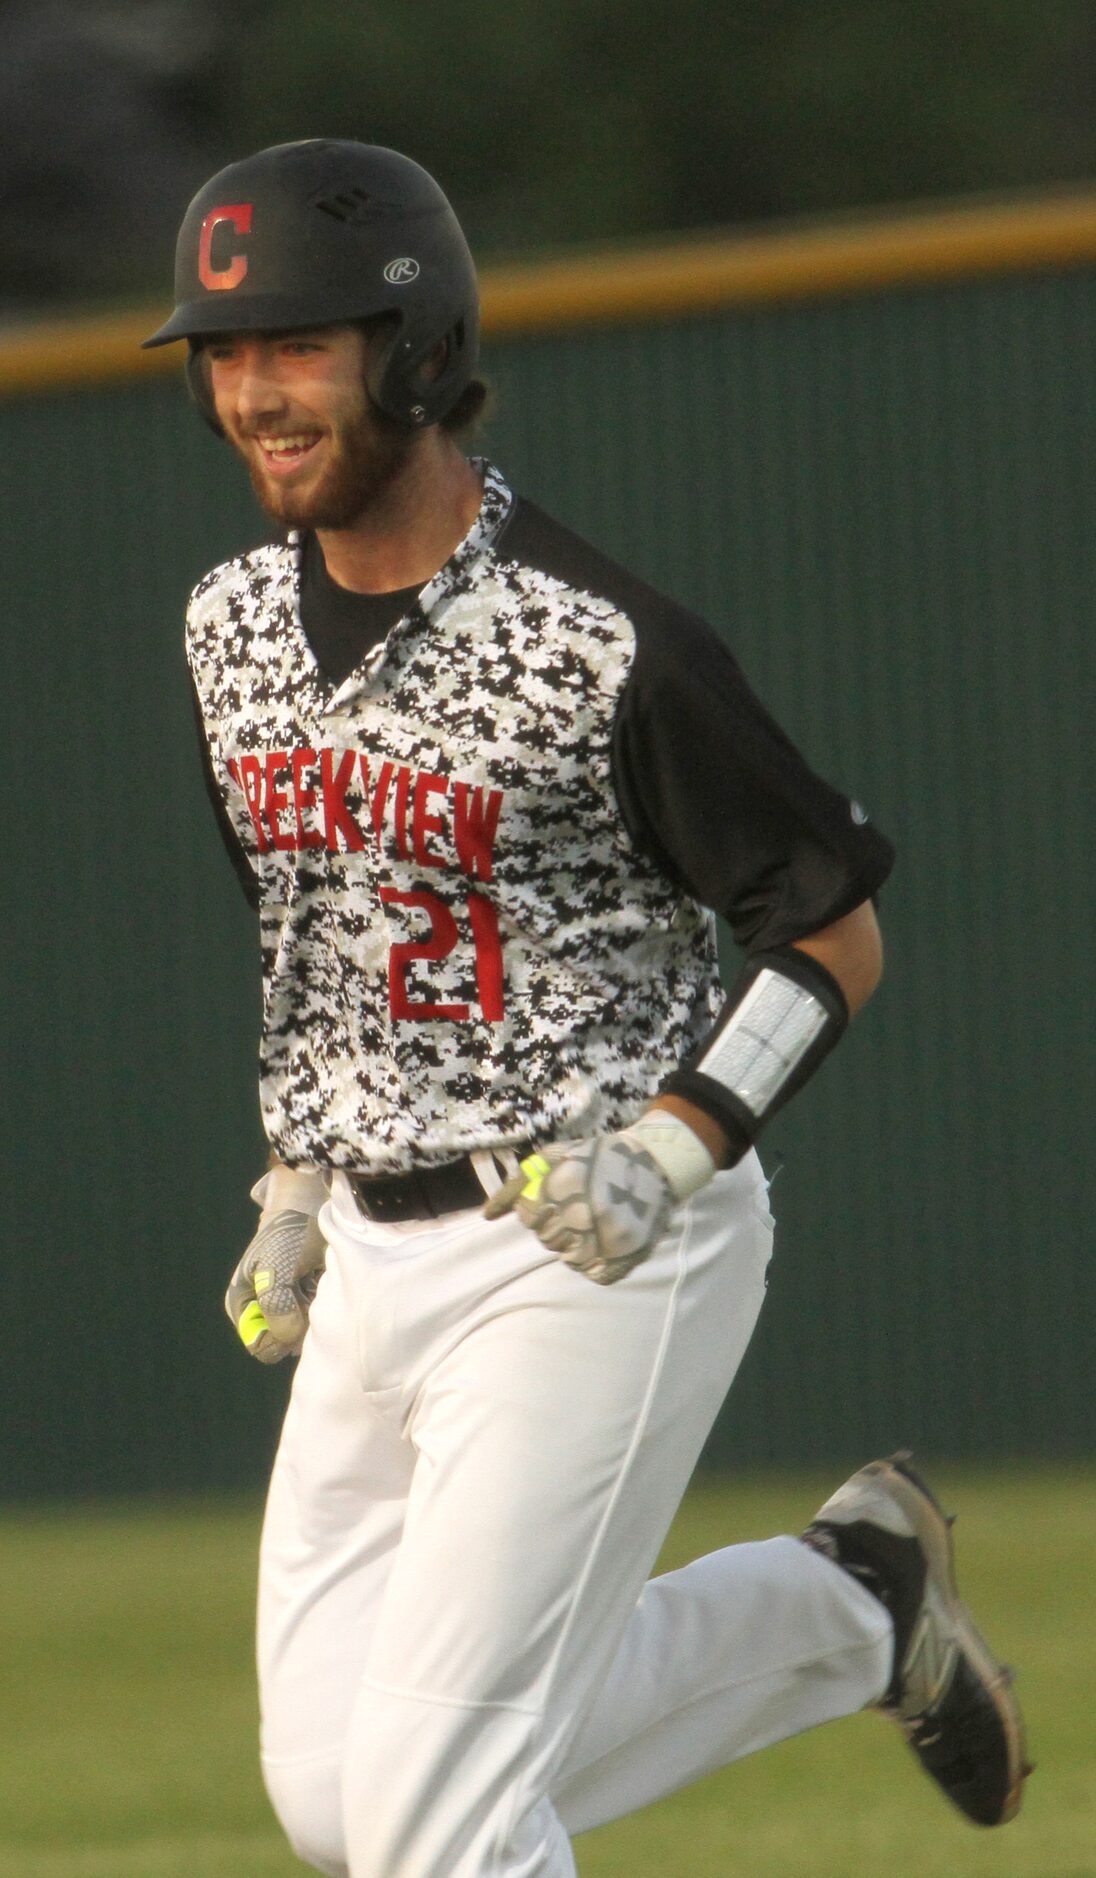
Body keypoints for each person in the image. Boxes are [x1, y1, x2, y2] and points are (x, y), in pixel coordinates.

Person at [146, 139, 1028, 1878]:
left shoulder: (602, 641)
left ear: (411, 350)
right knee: (338, 1793)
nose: (254, 389)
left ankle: (846, 1602)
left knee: (438, 1817)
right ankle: (854, 1605)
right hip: (377, 1267)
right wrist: (299, 1182)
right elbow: (317, 938)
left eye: (298, 343)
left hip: (592, 1242)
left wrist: (679, 1147)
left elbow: (832, 928)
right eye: (225, 353)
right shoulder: (229, 628)